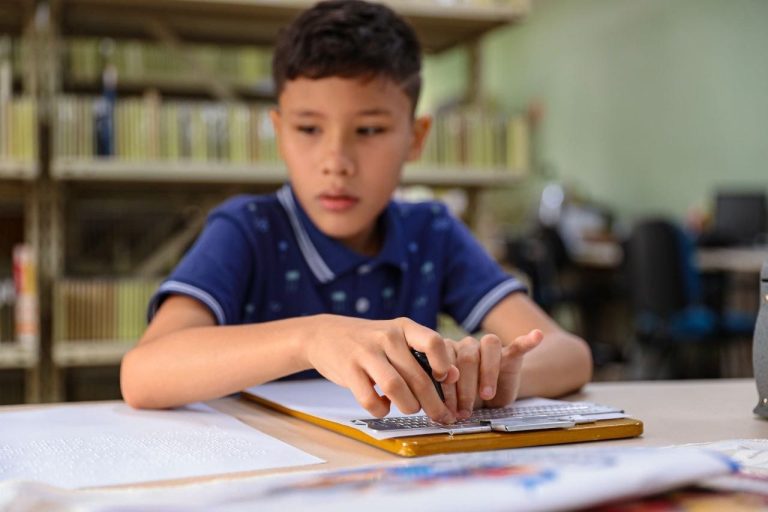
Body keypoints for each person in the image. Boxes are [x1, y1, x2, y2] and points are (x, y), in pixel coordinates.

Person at [120, 0, 592, 424]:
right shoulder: (247, 228)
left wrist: (488, 379)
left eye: (368, 130)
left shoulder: (431, 231)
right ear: (279, 133)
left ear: (416, 137)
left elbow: (569, 355)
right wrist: (311, 338)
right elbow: (144, 373)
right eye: (308, 129)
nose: (336, 163)